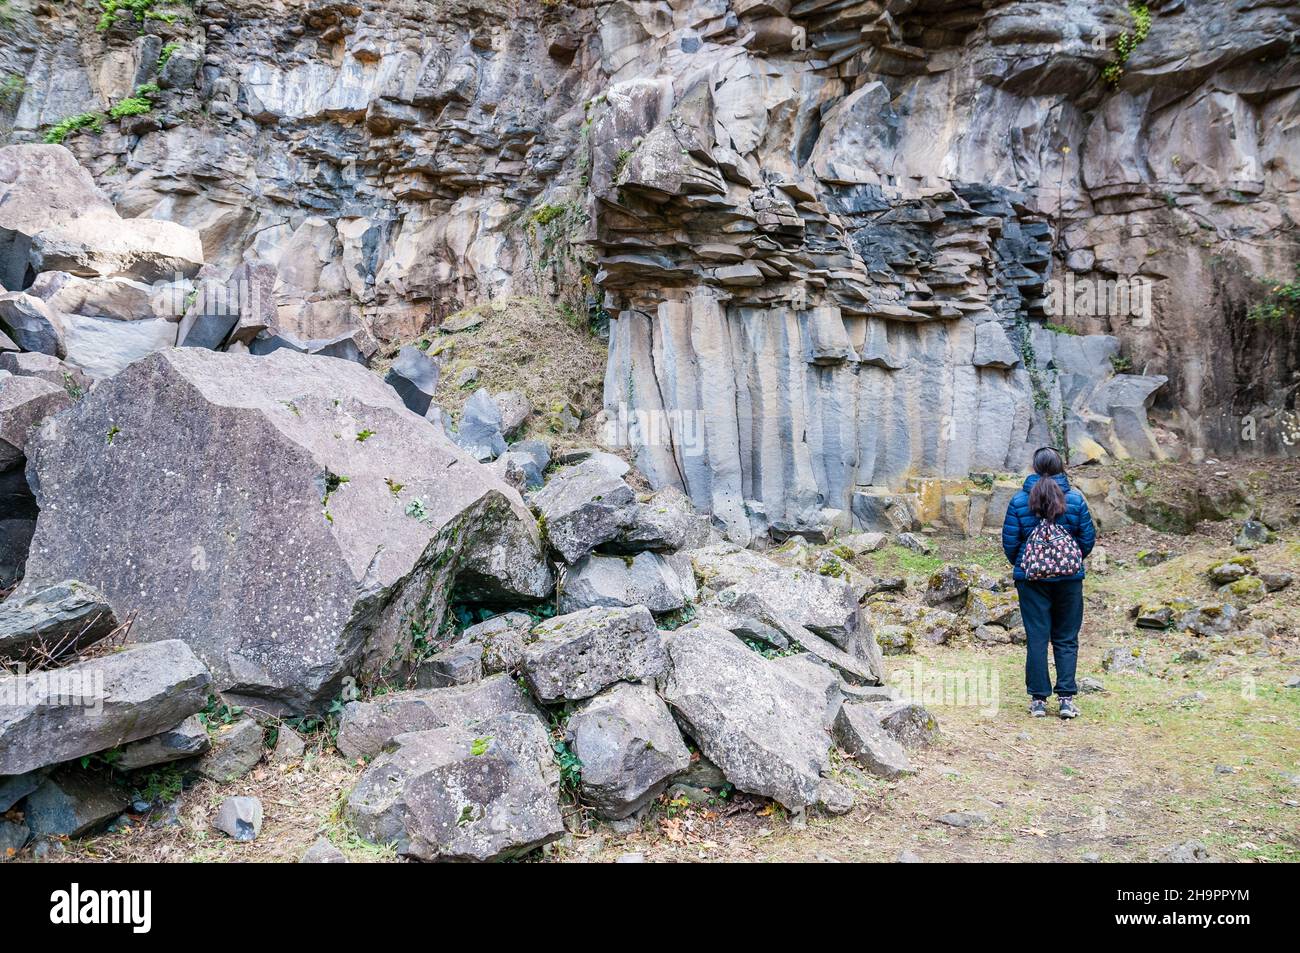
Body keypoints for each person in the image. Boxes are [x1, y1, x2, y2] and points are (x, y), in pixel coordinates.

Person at [1001, 447, 1096, 719]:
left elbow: (1010, 542)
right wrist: (1068, 561)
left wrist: (1027, 564)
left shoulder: (1019, 500)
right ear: (1061, 467)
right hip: (1069, 580)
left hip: (1031, 581)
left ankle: (1038, 701)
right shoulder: (1075, 499)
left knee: (1037, 638)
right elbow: (1087, 539)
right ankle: (1066, 700)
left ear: (1034, 467)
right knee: (1066, 638)